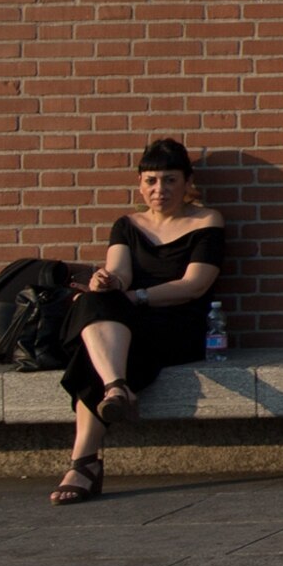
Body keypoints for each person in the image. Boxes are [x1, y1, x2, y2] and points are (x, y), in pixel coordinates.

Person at [49, 138, 228, 506]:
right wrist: (109, 283)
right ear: (140, 184)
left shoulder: (207, 220)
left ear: (187, 182)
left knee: (92, 357)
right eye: (150, 181)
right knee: (94, 299)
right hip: (126, 322)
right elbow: (120, 275)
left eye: (169, 180)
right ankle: (115, 389)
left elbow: (194, 286)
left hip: (177, 324)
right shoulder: (127, 225)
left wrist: (134, 298)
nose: (159, 190)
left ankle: (84, 462)